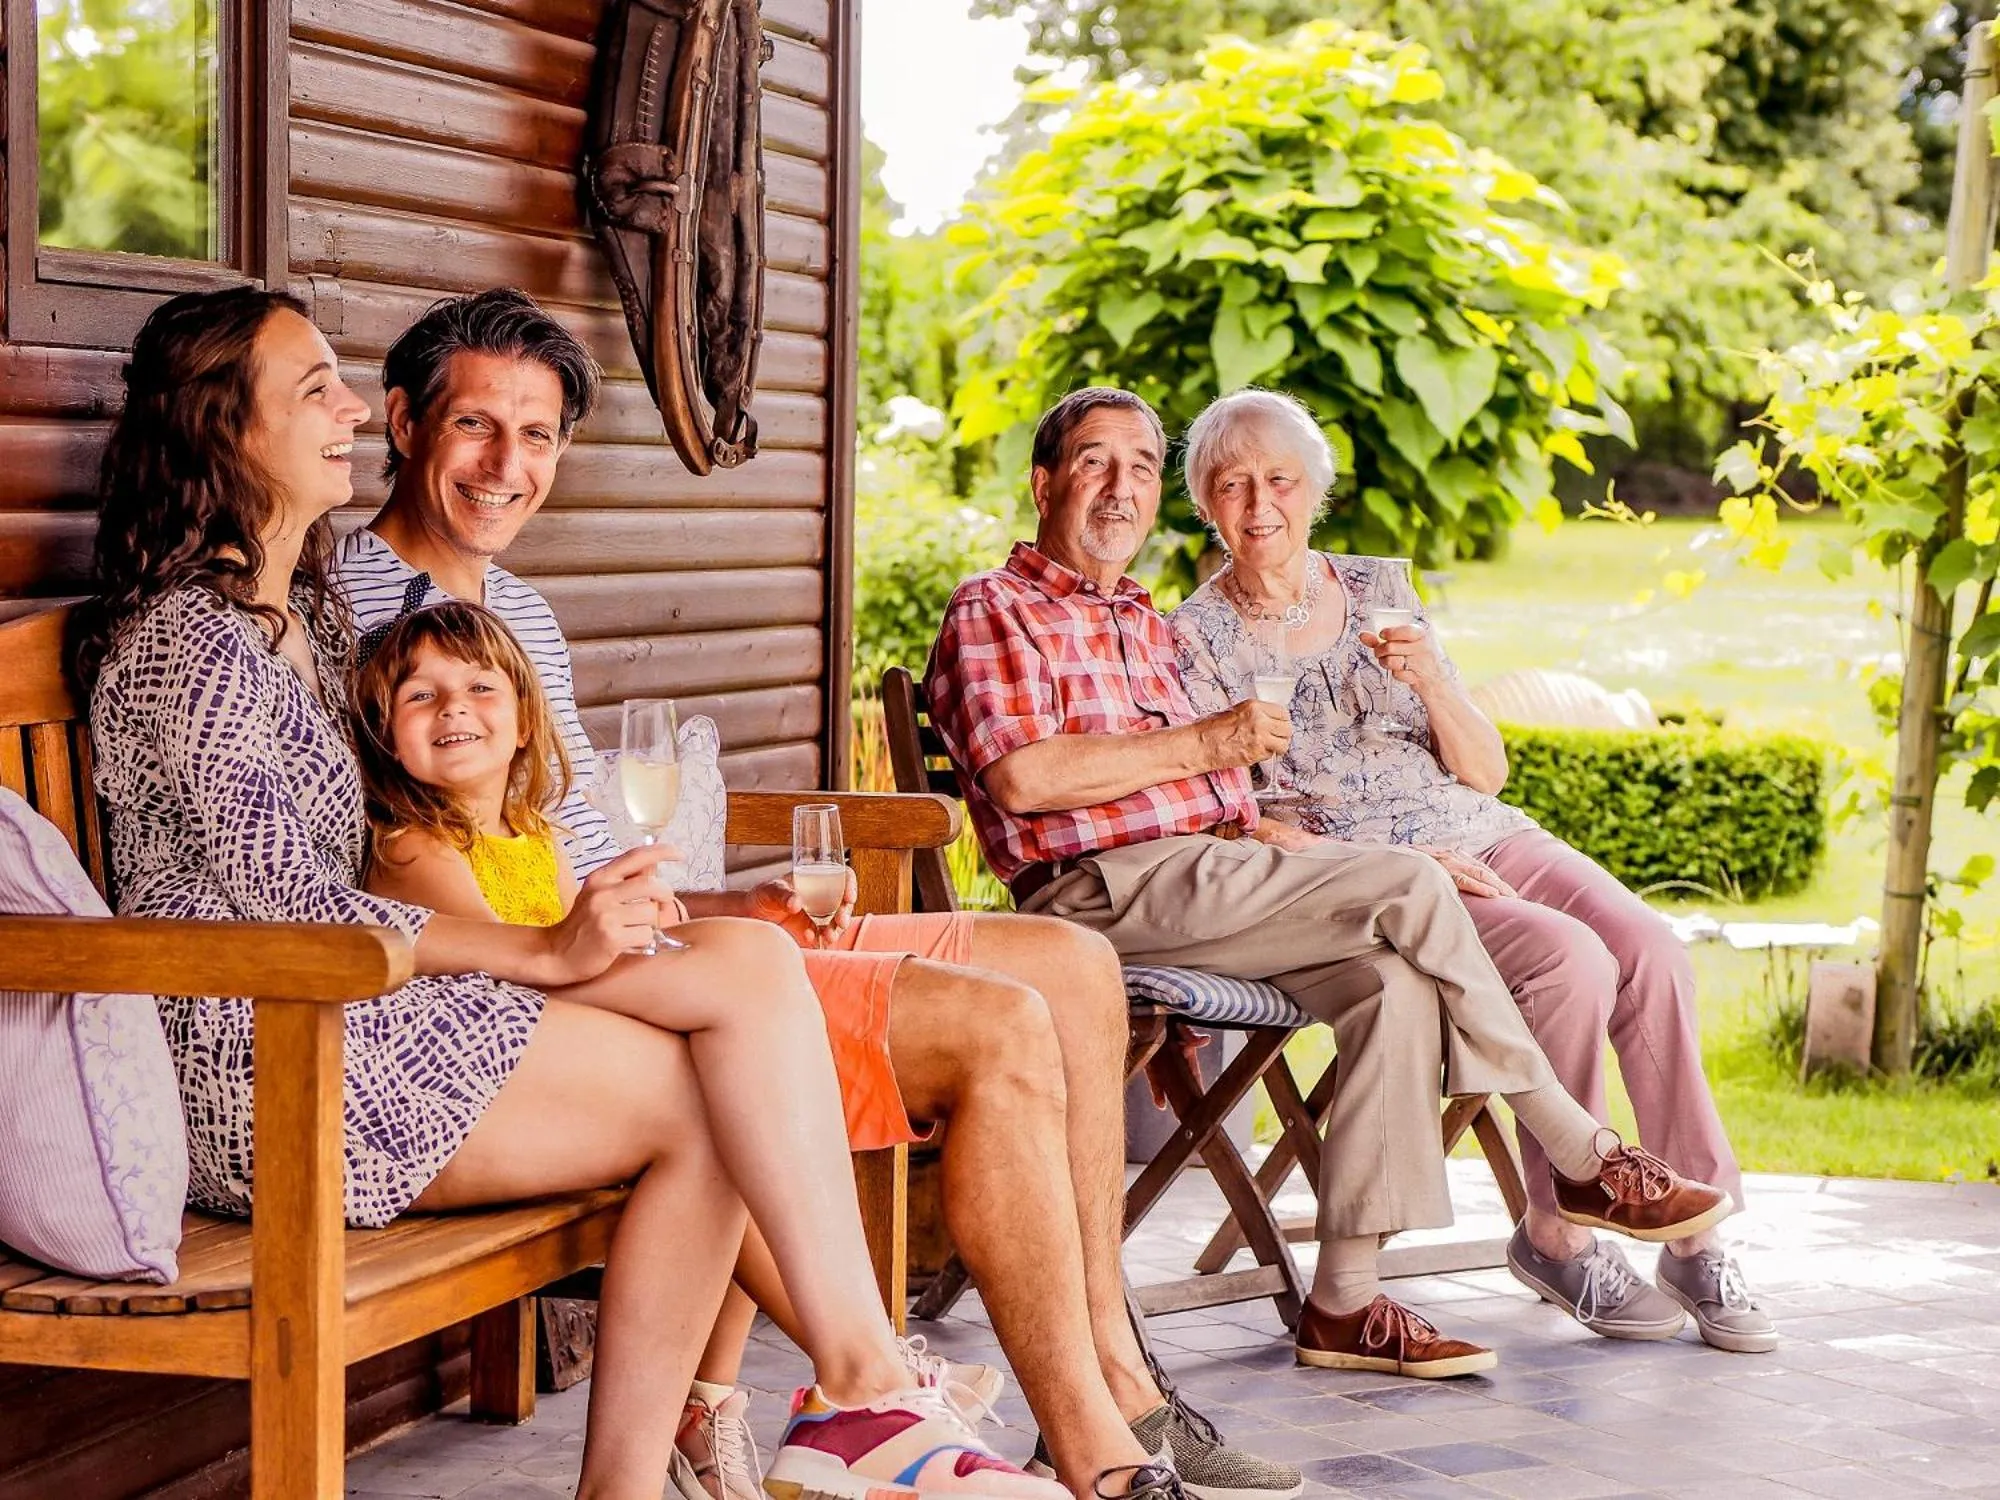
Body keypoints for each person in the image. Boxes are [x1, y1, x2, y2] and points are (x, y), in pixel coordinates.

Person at [73, 284, 1073, 1500]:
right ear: (227, 431)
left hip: (365, 1016)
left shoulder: (303, 618)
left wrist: (605, 921)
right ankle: (842, 1405)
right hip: (271, 1060)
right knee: (717, 1082)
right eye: (314, 388)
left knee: (746, 993)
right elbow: (294, 907)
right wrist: (547, 951)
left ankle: (821, 1407)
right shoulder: (191, 647)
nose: (345, 407)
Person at [331, 288, 1295, 1500]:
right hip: (567, 987)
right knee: (995, 1022)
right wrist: (660, 931)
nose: (506, 466)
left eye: (535, 437)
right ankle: (1097, 1453)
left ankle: (1115, 1373)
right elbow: (428, 870)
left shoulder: (512, 609)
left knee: (1067, 964)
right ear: (403, 421)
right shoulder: (345, 621)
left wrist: (730, 901)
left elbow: (566, 835)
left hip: (642, 932)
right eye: (478, 428)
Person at [924, 385, 1735, 1381]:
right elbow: (1023, 777)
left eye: (1139, 466)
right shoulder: (995, 608)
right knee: (1407, 888)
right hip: (1101, 889)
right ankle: (1582, 1157)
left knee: (1391, 984)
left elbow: (1232, 794)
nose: (1119, 488)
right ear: (1044, 480)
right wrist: (1221, 761)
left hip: (1223, 871)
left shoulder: (1140, 621)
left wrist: (1284, 825)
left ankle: (1342, 1303)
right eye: (1094, 462)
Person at [1165, 387, 1774, 1354]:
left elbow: (1485, 771)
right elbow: (1244, 827)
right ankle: (1559, 1234)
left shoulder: (1378, 592)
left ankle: (1696, 1239)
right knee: (1567, 961)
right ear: (1204, 502)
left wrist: (1435, 683)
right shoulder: (1192, 641)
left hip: (1482, 827)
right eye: (1232, 485)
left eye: (1278, 479)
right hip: (1375, 876)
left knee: (1652, 950)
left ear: (1314, 489)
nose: (1259, 504)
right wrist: (1409, 861)